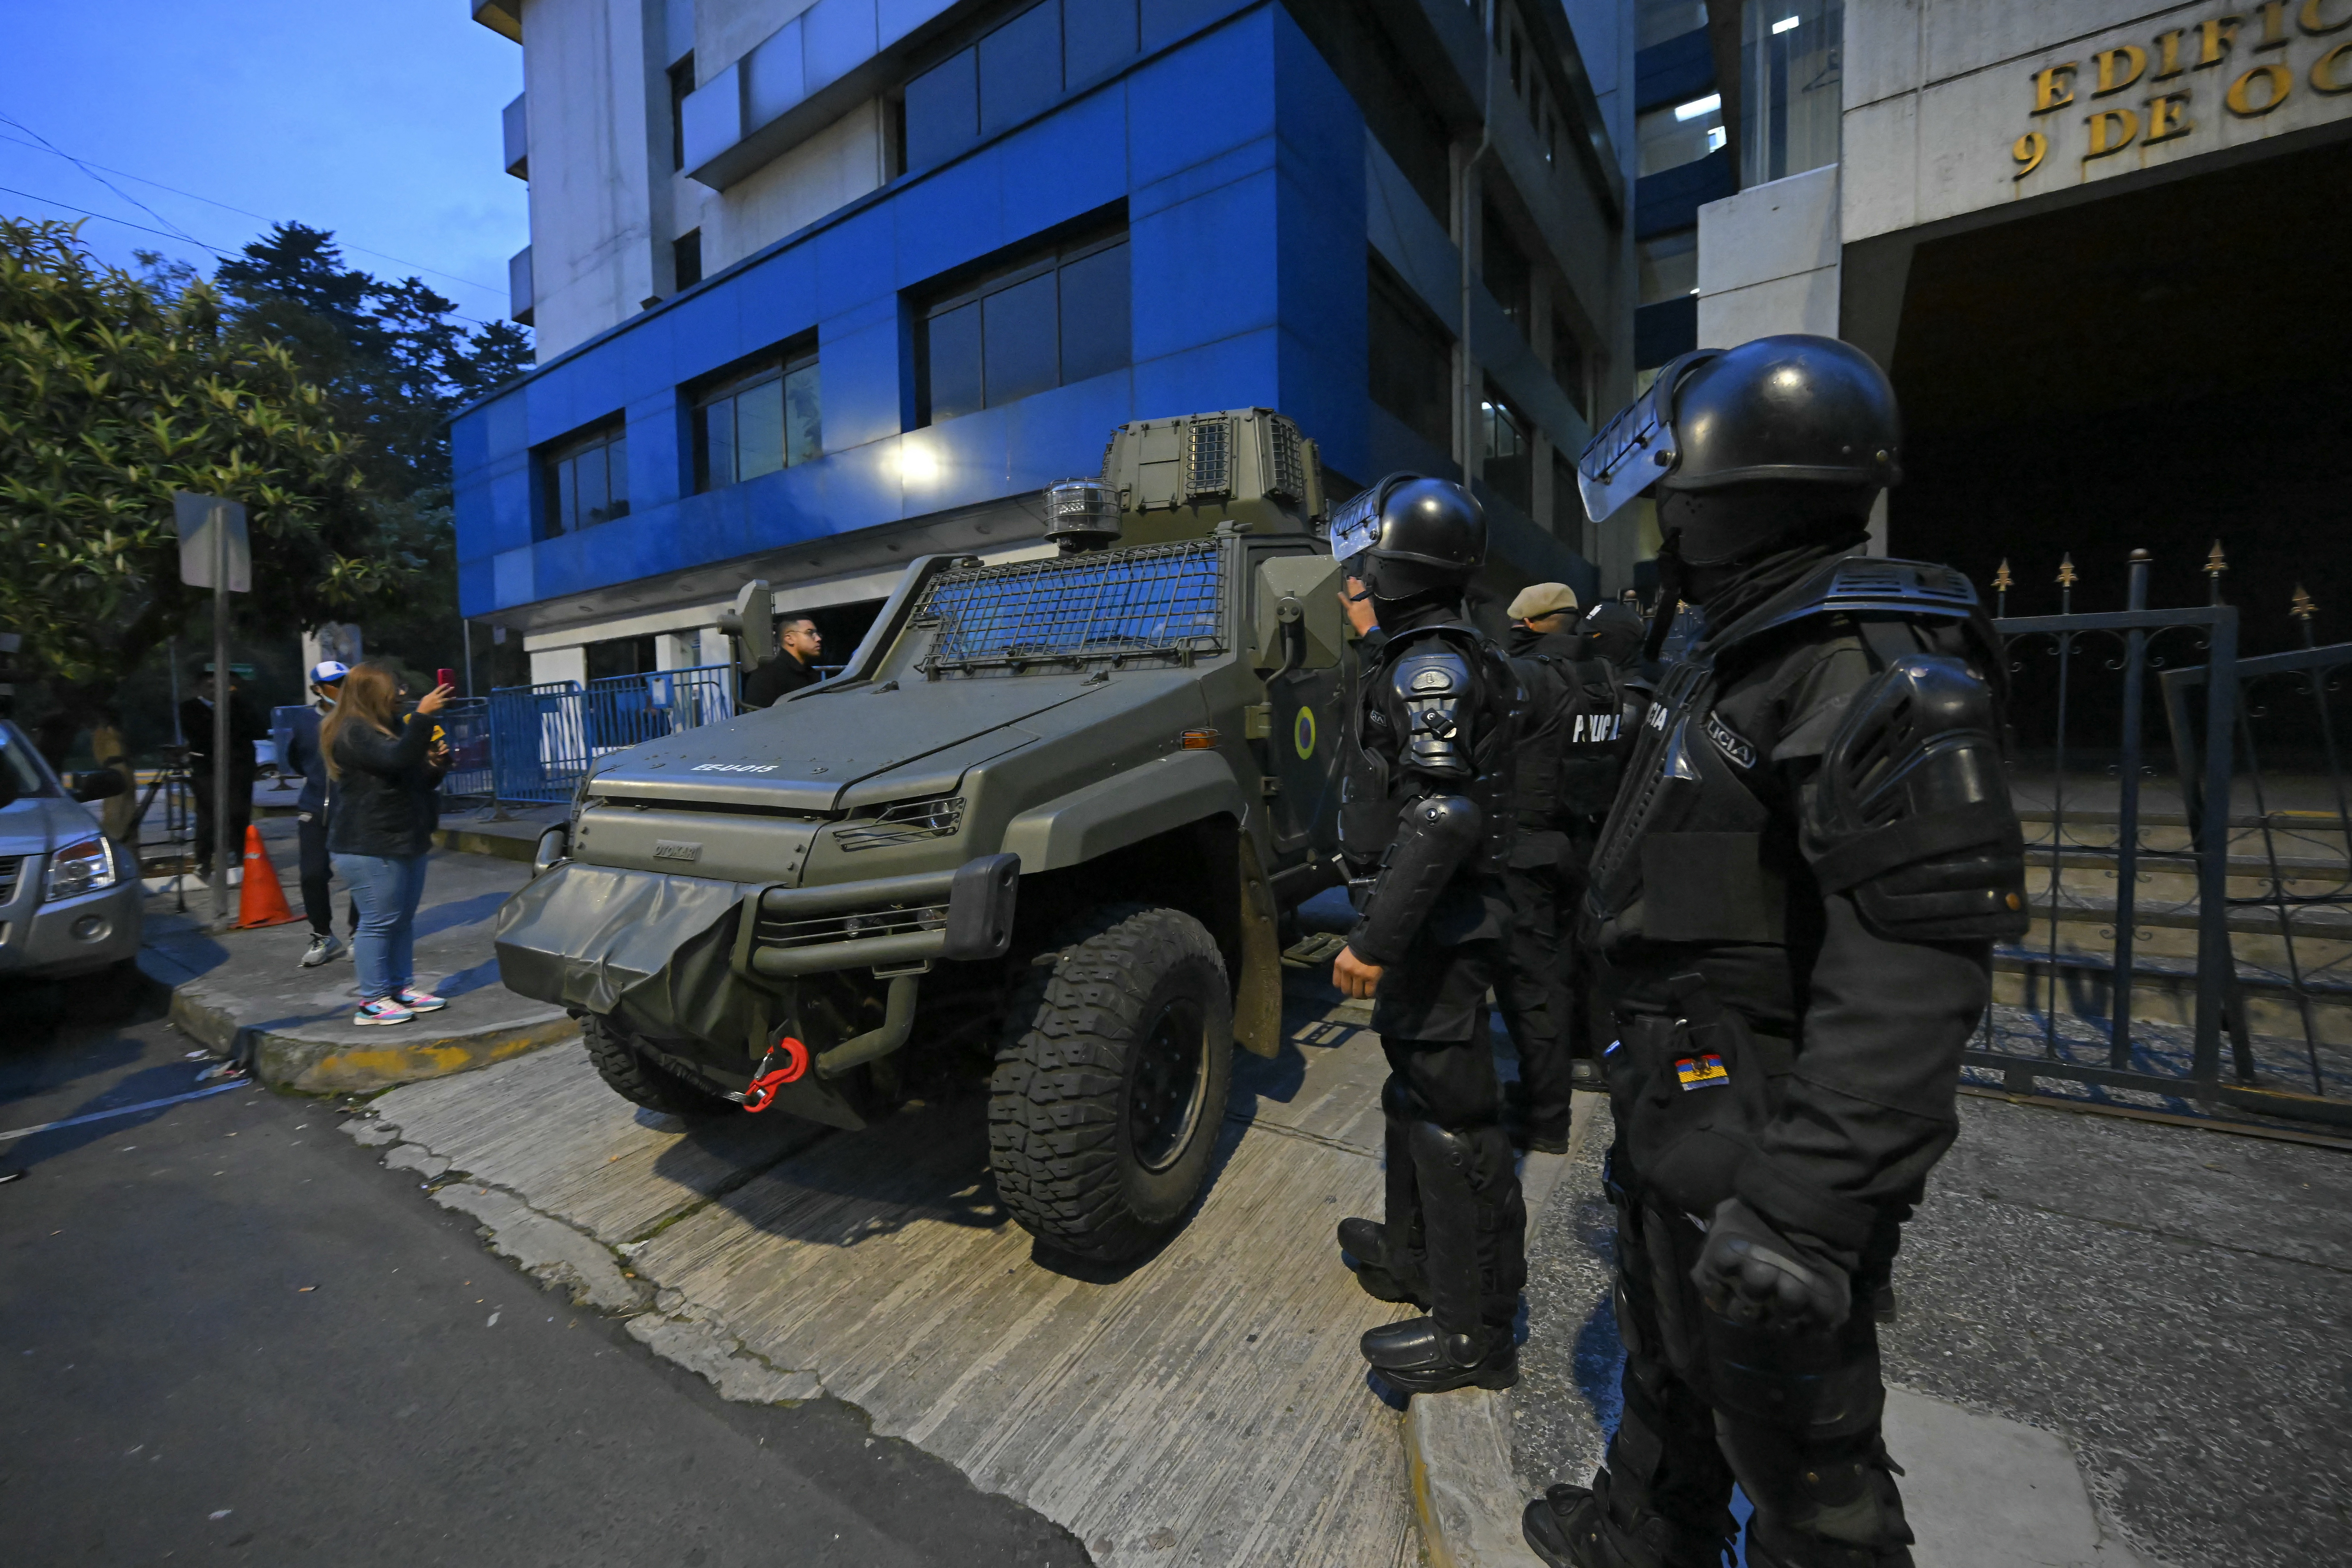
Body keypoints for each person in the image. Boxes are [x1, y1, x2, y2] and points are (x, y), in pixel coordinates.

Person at [1520, 335, 2027, 1568]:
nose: (1663, 523)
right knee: (1669, 1345)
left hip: (1768, 1114)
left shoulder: (1864, 664)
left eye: (1673, 497)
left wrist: (1806, 1209)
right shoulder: (1744, 644)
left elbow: (1912, 971)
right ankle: (1645, 1534)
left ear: (1726, 493)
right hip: (1687, 1083)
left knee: (1803, 1454)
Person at [1326, 474, 1529, 1396]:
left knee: (1454, 1125)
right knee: (1414, 1103)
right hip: (1429, 927)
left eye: (1373, 559)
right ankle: (1414, 1260)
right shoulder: (1419, 650)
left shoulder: (1430, 664)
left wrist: (1374, 940)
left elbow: (1442, 817)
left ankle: (1474, 1333)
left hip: (1437, 931)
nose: (1360, 573)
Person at [323, 662, 455, 1027]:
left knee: (402, 920)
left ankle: (399, 987)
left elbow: (412, 778)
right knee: (379, 922)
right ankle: (373, 1000)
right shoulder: (353, 731)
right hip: (369, 843)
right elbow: (395, 760)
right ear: (370, 694)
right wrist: (424, 719)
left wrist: (437, 763)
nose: (403, 694)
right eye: (395, 687)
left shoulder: (394, 727)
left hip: (405, 838)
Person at [278, 661, 360, 967]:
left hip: (352, 807)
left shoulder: (357, 719)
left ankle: (359, 932)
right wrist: (316, 780)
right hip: (314, 806)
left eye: (346, 682)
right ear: (318, 689)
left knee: (357, 872)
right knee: (312, 873)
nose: (343, 689)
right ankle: (323, 934)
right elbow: (297, 760)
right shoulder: (303, 721)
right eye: (336, 684)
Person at [178, 666, 269, 881]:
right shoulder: (190, 708)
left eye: (218, 685)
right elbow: (200, 735)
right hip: (207, 768)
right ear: (198, 688)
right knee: (208, 815)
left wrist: (235, 705)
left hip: (238, 766)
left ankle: (241, 855)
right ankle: (203, 860)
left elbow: (258, 730)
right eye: (208, 686)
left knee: (239, 812)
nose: (214, 690)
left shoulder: (238, 706)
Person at [740, 615, 823, 708]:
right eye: (810, 633)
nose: (818, 639)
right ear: (790, 639)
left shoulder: (812, 675)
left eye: (817, 634)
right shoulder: (765, 677)